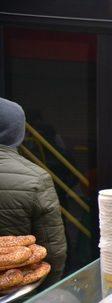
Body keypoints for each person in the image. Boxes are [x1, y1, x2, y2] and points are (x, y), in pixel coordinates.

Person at [0, 97, 67, 284]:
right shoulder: (36, 178)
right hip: (14, 295)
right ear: (17, 133)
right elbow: (54, 252)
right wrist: (43, 292)